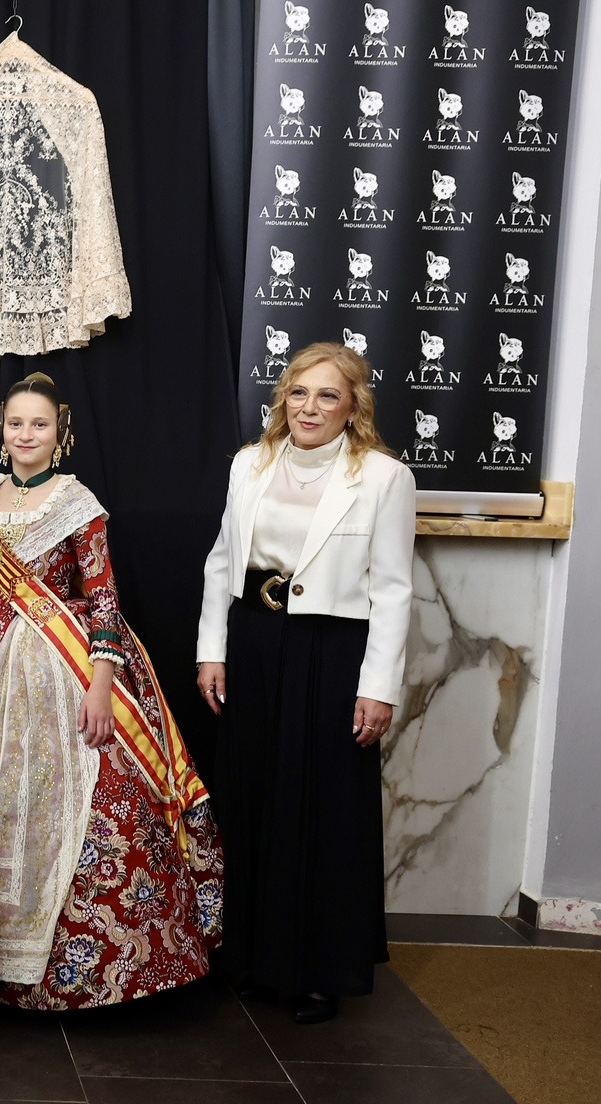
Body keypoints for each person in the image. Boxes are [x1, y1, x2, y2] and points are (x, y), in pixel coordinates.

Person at [0, 373, 223, 1011]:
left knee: (68, 797)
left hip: (58, 663)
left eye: (39, 425)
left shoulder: (77, 503)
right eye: (15, 423)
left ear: (59, 434)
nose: (25, 435)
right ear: (0, 429)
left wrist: (100, 684)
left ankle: (62, 975)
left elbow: (104, 599)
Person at [195, 341, 415, 1024]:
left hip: (333, 651)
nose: (310, 407)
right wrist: (212, 651)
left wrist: (378, 687)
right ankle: (259, 960)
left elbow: (394, 590)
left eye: (327, 396)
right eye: (298, 392)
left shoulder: (383, 477)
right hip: (255, 642)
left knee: (326, 806)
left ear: (353, 408)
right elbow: (222, 561)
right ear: (282, 399)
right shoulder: (249, 463)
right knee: (255, 795)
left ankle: (320, 972)